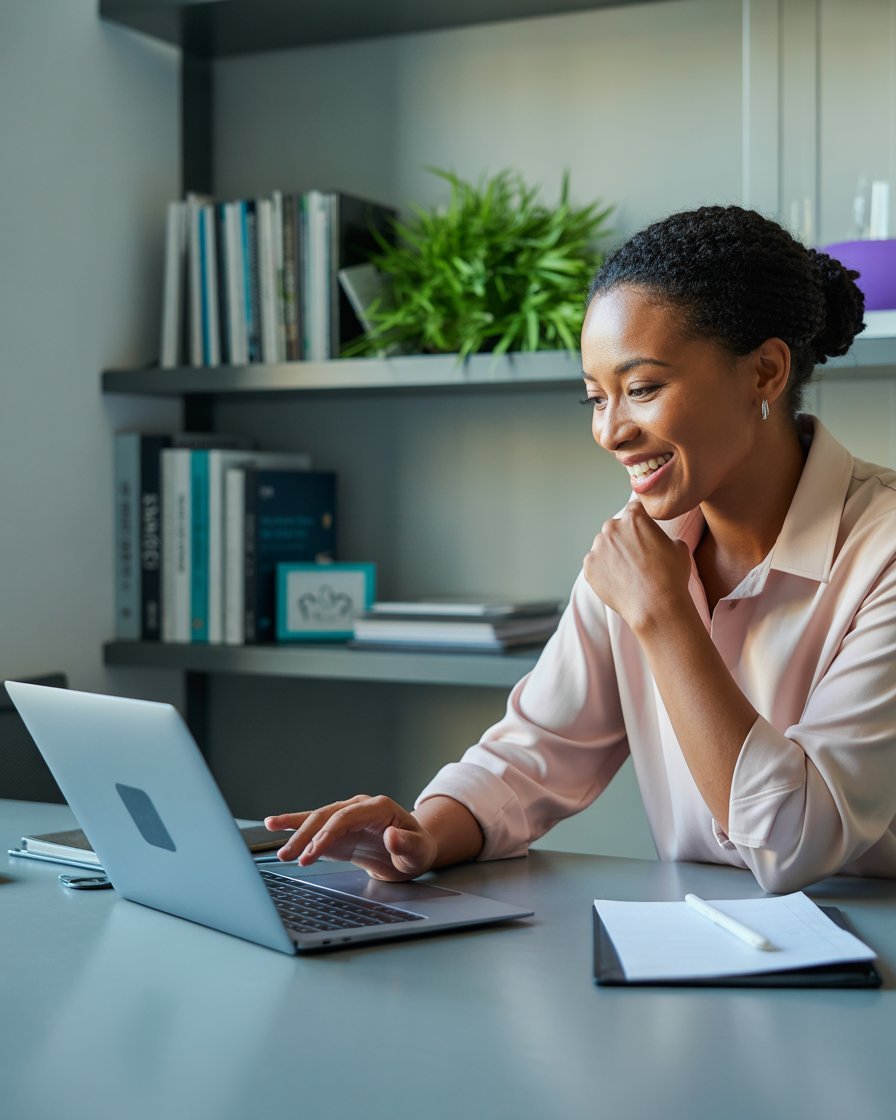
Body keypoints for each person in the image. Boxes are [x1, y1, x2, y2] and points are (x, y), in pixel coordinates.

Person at [266, 204, 896, 894]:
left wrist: (664, 615)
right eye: (596, 398)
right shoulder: (642, 547)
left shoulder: (879, 550)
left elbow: (795, 839)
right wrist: (422, 832)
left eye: (643, 389)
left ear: (766, 373)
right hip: (708, 952)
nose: (611, 432)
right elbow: (536, 752)